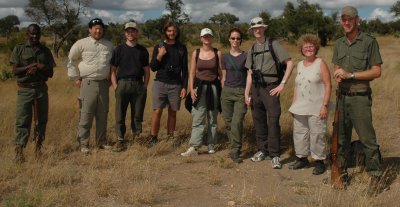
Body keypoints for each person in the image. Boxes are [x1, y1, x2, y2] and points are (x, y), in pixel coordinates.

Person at [332, 6, 383, 195]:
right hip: (341, 97)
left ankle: (376, 176)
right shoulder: (339, 43)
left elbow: (377, 71)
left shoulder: (369, 42)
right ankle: (342, 171)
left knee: (367, 139)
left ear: (357, 20)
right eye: (343, 19)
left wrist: (351, 74)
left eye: (350, 19)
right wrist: (338, 74)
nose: (346, 22)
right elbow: (337, 65)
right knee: (342, 138)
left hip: (360, 97)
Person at [244, 17, 294, 169]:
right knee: (258, 120)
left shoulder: (273, 44)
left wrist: (282, 84)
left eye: (259, 27)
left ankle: (275, 154)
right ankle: (262, 150)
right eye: (254, 28)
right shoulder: (252, 49)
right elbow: (249, 73)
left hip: (271, 87)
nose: (257, 30)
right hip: (256, 89)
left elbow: (290, 63)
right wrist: (247, 93)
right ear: (252, 31)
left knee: (273, 121)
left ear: (264, 28)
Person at [10, 24, 55, 163]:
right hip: (25, 90)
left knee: (41, 120)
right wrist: (31, 66)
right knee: (23, 120)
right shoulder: (19, 48)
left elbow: (51, 73)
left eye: (37, 34)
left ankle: (38, 148)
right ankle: (19, 151)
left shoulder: (45, 51)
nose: (34, 36)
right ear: (27, 34)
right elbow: (15, 70)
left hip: (41, 89)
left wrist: (41, 67)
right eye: (32, 34)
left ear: (40, 34)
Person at [67, 18, 113, 153]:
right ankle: (83, 144)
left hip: (104, 84)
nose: (98, 31)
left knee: (102, 114)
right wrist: (75, 78)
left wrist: (111, 78)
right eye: (95, 28)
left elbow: (113, 64)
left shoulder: (109, 45)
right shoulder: (81, 44)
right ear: (90, 30)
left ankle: (101, 142)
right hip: (88, 83)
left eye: (100, 28)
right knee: (86, 114)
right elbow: (70, 60)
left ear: (103, 30)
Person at [288, 34, 331, 175]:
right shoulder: (299, 64)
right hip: (300, 106)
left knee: (317, 134)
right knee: (299, 133)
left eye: (311, 46)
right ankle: (302, 159)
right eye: (305, 46)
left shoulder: (321, 63)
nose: (308, 48)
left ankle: (319, 161)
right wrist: (293, 105)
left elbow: (328, 84)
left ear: (316, 48)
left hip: (317, 107)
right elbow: (297, 86)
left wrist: (325, 105)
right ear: (301, 49)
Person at [181, 28, 222, 157]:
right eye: (204, 36)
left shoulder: (217, 53)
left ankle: (211, 143)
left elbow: (221, 73)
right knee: (198, 117)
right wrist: (192, 89)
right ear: (201, 38)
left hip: (214, 88)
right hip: (199, 88)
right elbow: (192, 73)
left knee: (212, 117)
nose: (207, 38)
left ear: (212, 38)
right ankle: (194, 146)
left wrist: (223, 88)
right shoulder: (196, 53)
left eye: (209, 36)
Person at [110, 21, 150, 152]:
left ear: (137, 33)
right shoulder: (118, 49)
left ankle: (137, 137)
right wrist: (116, 86)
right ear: (125, 33)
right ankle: (120, 140)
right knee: (120, 114)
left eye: (133, 31)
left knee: (137, 113)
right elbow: (113, 69)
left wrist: (144, 86)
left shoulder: (142, 50)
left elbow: (146, 70)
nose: (130, 33)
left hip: (138, 84)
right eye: (128, 31)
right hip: (122, 84)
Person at [149, 22, 188, 146]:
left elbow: (185, 70)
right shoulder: (159, 46)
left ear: (177, 32)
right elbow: (153, 68)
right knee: (157, 111)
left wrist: (184, 87)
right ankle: (153, 137)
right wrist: (160, 55)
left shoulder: (182, 48)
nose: (172, 33)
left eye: (174, 31)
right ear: (165, 32)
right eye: (169, 31)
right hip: (160, 82)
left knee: (172, 112)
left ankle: (170, 137)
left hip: (176, 84)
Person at [220, 28, 249, 163]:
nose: (235, 40)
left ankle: (236, 149)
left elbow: (250, 75)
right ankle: (233, 147)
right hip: (227, 91)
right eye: (233, 38)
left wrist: (247, 94)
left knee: (237, 122)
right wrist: (223, 90)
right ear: (229, 39)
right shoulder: (224, 57)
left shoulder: (246, 55)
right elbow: (223, 76)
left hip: (240, 92)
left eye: (238, 38)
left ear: (241, 40)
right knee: (228, 122)